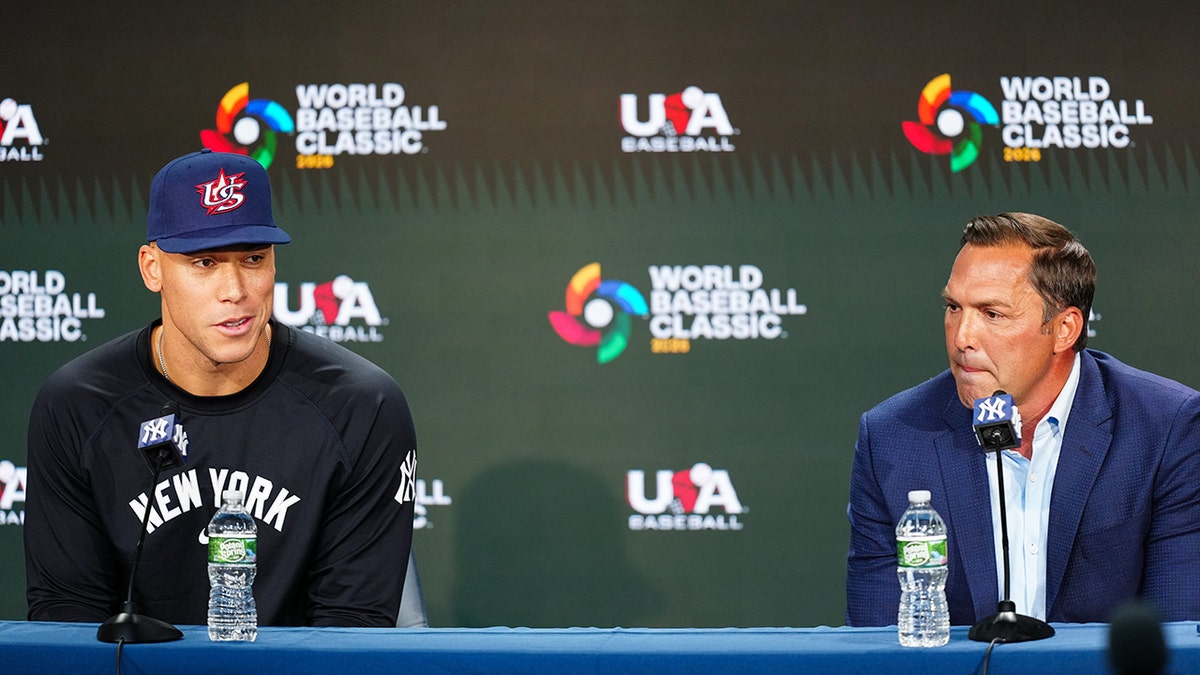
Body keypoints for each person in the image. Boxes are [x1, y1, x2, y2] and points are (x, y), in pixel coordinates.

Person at [24, 148, 418, 627]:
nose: (235, 289)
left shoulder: (360, 406)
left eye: (254, 258)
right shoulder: (78, 405)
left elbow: (350, 628)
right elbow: (67, 621)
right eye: (204, 262)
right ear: (152, 268)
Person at [846, 212, 1200, 626]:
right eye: (953, 307)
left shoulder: (1165, 428)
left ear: (1065, 329)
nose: (962, 337)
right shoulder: (893, 438)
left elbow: (1179, 634)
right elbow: (877, 643)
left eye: (992, 313)